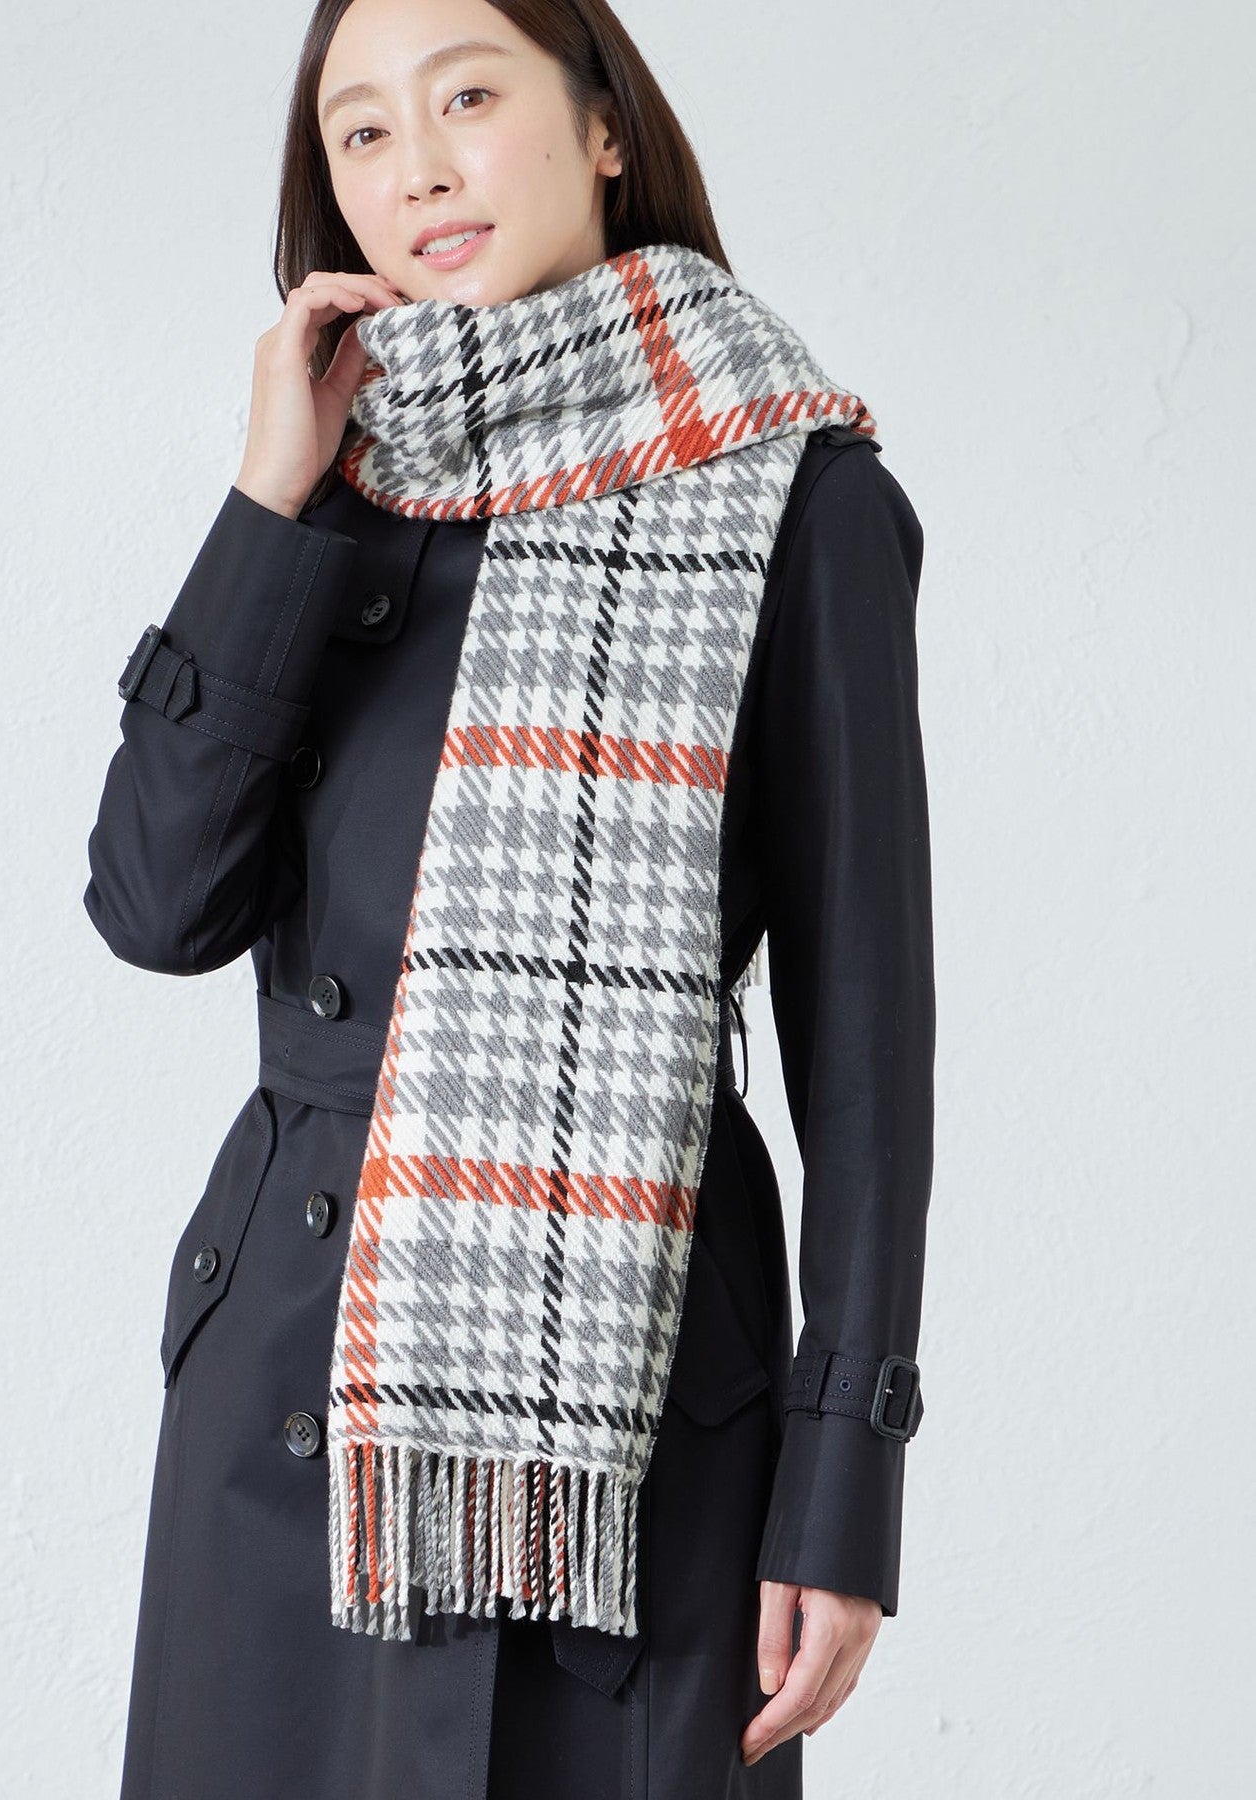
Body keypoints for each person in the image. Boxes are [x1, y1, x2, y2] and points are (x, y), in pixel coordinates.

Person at [82, 0, 935, 1794]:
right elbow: (158, 903)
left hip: (631, 1416)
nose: (419, 169)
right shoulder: (341, 484)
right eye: (363, 132)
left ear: (605, 125)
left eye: (466, 97)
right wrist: (266, 499)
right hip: (292, 1389)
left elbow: (864, 1043)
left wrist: (845, 1476)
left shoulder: (795, 494)